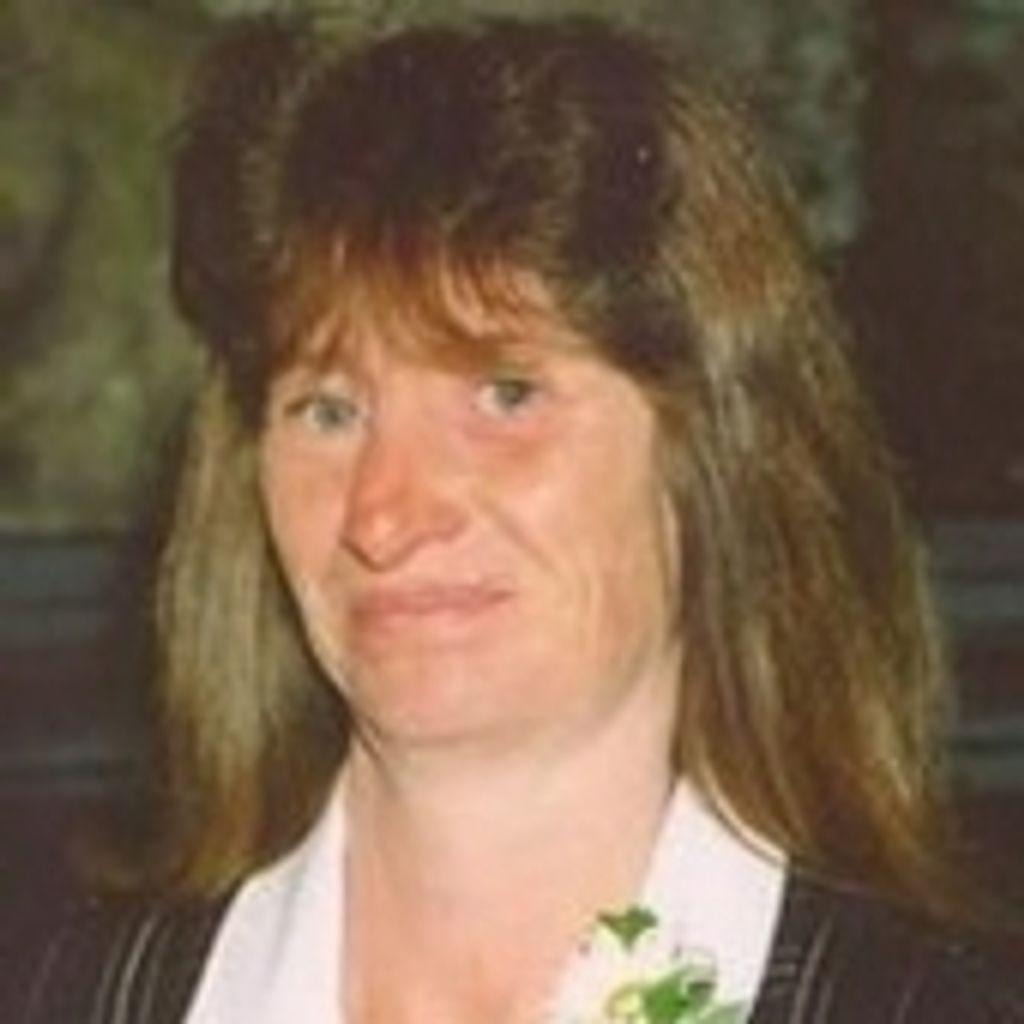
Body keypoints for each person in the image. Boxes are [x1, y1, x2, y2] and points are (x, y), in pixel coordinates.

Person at [2, 11, 1020, 1023]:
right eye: (330, 410)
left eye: (505, 396)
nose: (385, 514)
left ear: (710, 450)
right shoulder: (79, 998)